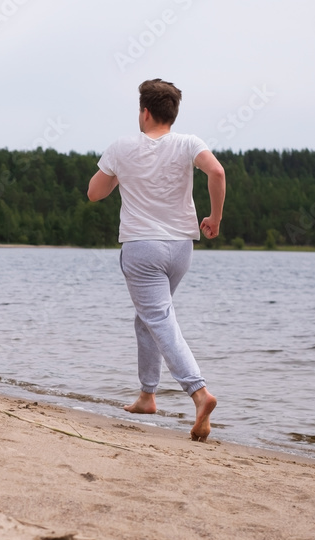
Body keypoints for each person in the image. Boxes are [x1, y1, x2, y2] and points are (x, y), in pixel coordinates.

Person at [87, 78, 225, 442]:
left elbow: (94, 193)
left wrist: (121, 175)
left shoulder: (122, 147)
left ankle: (199, 393)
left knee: (159, 318)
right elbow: (217, 172)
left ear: (144, 112)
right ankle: (148, 396)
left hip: (142, 248)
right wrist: (215, 218)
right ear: (171, 114)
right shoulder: (188, 143)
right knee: (148, 317)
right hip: (181, 248)